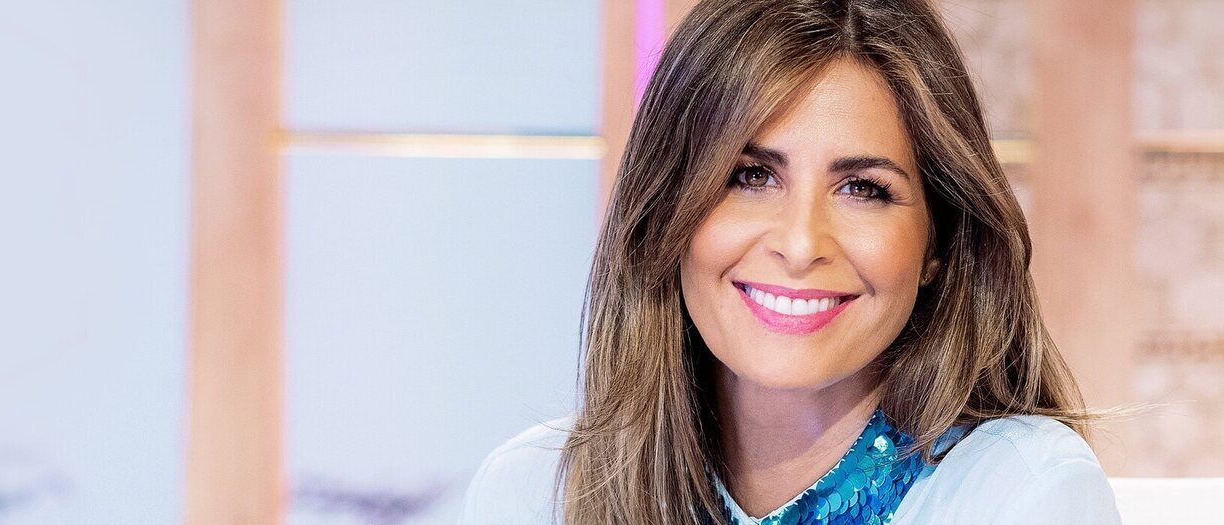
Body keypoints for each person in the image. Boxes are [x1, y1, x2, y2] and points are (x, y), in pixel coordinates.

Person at [460, 0, 1122, 523]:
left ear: (938, 245)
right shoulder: (537, 493)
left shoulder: (1021, 492)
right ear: (666, 208)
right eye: (751, 176)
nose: (802, 244)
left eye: (862, 189)